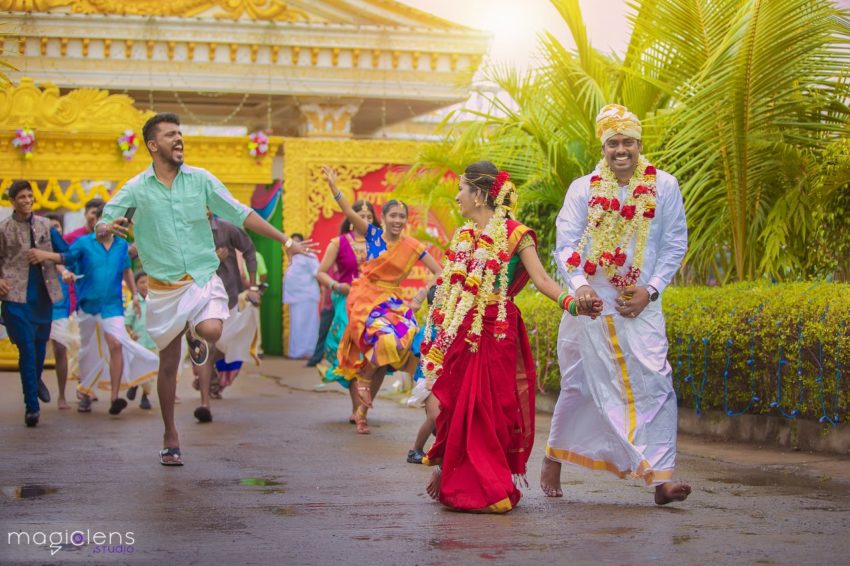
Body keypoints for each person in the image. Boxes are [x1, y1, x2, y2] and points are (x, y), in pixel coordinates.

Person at [97, 112, 314, 466]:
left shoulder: (201, 181)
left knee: (212, 328)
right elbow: (106, 220)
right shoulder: (136, 187)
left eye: (180, 134)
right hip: (163, 290)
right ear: (153, 146)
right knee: (168, 365)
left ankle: (197, 336)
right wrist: (107, 228)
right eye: (170, 135)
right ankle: (170, 435)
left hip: (201, 278)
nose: (178, 139)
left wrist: (286, 241)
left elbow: (242, 214)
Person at [418, 161, 600, 514]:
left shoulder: (518, 233)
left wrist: (573, 304)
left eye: (462, 189)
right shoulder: (465, 236)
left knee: (489, 409)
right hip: (462, 332)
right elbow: (453, 287)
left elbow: (543, 280)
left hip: (497, 331)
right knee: (455, 406)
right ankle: (451, 474)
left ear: (480, 194)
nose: (457, 196)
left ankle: (491, 486)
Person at [542, 103, 691, 505]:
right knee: (580, 384)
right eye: (613, 143)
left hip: (641, 302)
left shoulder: (664, 186)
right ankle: (553, 457)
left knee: (657, 381)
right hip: (592, 304)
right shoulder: (583, 188)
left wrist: (652, 289)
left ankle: (661, 479)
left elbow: (675, 243)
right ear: (603, 147)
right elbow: (566, 244)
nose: (621, 150)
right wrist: (579, 286)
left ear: (640, 144)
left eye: (627, 142)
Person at [323, 166, 441, 434]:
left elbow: (440, 272)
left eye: (402, 216)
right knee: (386, 341)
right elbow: (349, 213)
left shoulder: (412, 246)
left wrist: (420, 297)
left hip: (393, 302)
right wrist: (334, 188)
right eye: (393, 215)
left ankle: (362, 411)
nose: (398, 220)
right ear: (384, 218)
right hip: (366, 299)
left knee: (403, 344)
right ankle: (363, 380)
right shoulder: (373, 235)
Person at [33, 205, 159, 415]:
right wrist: (45, 255)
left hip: (113, 305)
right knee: (87, 351)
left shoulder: (121, 245)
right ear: (96, 224)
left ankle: (115, 397)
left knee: (116, 343)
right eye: (102, 221)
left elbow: (127, 269)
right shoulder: (83, 243)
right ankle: (86, 393)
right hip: (88, 306)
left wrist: (135, 295)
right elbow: (67, 259)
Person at [0, 181, 68, 426]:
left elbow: (67, 254)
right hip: (14, 300)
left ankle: (35, 378)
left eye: (30, 196)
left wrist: (46, 255)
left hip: (43, 298)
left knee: (39, 350)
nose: (27, 200)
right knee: (27, 350)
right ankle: (32, 407)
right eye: (22, 197)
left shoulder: (46, 226)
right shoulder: (4, 229)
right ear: (12, 201)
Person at [314, 200, 379, 422]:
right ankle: (357, 409)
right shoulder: (339, 242)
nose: (365, 220)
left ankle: (362, 408)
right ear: (350, 218)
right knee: (354, 355)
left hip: (374, 304)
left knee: (374, 355)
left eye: (369, 217)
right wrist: (335, 285)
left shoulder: (379, 242)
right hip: (347, 304)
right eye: (360, 215)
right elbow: (321, 272)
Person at [189, 213, 261, 414]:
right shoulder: (185, 230)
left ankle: (210, 377)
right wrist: (212, 259)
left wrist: (253, 287)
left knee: (224, 345)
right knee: (208, 348)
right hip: (200, 296)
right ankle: (204, 403)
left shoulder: (227, 228)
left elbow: (250, 250)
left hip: (230, 294)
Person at [46, 213, 79, 410]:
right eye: (49, 227)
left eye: (56, 226)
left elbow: (65, 267)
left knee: (60, 348)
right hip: (40, 305)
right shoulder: (36, 251)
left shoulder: (67, 252)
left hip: (60, 306)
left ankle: (61, 395)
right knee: (35, 350)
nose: (53, 230)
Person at [405, 285, 438, 464]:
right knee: (434, 416)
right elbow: (420, 351)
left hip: (446, 379)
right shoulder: (428, 329)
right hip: (428, 379)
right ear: (432, 306)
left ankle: (441, 449)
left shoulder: (452, 327)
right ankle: (415, 450)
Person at [283, 233, 320, 359]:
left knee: (309, 325)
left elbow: (318, 273)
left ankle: (309, 352)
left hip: (307, 296)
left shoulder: (310, 256)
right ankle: (295, 353)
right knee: (297, 326)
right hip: (295, 297)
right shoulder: (291, 257)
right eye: (292, 242)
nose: (294, 244)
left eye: (297, 242)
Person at [125, 271, 156, 410]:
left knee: (151, 372)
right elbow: (126, 323)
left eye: (148, 282)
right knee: (138, 368)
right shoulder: (133, 304)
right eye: (141, 282)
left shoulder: (156, 302)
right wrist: (131, 333)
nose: (145, 285)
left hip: (153, 344)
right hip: (138, 345)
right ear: (135, 286)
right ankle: (134, 384)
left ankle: (145, 396)